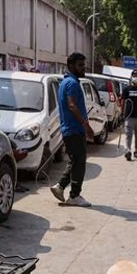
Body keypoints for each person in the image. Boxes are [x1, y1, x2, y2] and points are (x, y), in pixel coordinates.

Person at [50, 52, 94, 207]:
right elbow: (72, 105)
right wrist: (86, 125)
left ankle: (60, 187)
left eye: (84, 65)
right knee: (79, 162)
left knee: (75, 161)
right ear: (71, 66)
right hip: (74, 129)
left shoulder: (67, 82)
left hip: (70, 129)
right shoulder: (72, 84)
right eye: (80, 65)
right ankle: (74, 196)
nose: (83, 68)